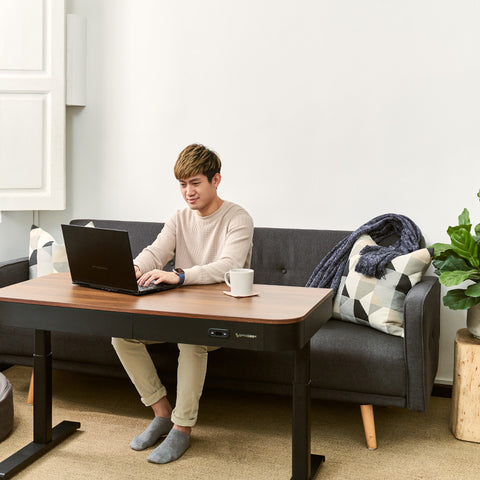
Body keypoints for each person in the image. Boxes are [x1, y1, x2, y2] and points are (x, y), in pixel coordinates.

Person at [112, 144, 254, 464]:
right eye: (182, 184)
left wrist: (179, 276)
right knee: (121, 334)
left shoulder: (238, 218)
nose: (188, 192)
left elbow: (228, 265)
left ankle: (182, 428)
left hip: (219, 316)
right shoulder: (179, 218)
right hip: (178, 313)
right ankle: (161, 413)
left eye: (195, 183)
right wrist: (134, 268)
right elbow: (155, 252)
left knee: (191, 340)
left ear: (216, 180)